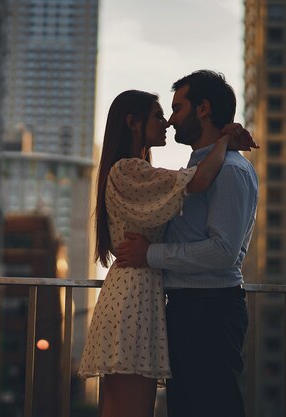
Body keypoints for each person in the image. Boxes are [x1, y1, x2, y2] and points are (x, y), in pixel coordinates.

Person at [77, 89, 257, 417]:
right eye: (159, 115)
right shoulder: (129, 170)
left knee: (129, 406)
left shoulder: (141, 170)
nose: (167, 122)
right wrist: (223, 143)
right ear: (132, 123)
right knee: (130, 408)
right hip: (134, 296)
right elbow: (199, 180)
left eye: (172, 112)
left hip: (142, 295)